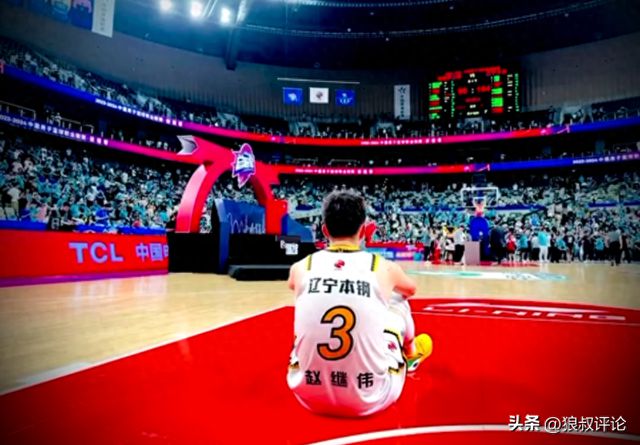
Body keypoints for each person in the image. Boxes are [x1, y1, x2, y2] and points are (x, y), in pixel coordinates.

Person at [287, 190, 432, 417]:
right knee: (398, 299)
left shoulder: (301, 267)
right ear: (363, 231)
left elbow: (292, 285)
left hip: (308, 396)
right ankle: (411, 352)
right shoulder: (382, 266)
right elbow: (411, 289)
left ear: (324, 230)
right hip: (371, 396)